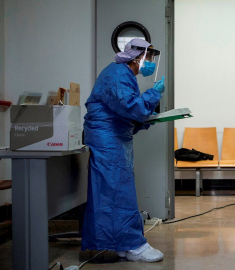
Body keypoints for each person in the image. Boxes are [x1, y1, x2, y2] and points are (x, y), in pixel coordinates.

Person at [81, 39, 165, 262]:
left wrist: (147, 120)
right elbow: (132, 107)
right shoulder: (119, 74)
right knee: (119, 192)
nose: (151, 63)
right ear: (138, 56)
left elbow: (123, 112)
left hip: (113, 137)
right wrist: (154, 95)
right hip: (108, 139)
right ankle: (135, 246)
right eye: (149, 58)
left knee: (111, 193)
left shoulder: (124, 75)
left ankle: (121, 244)